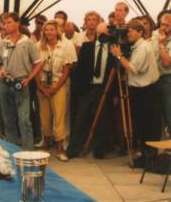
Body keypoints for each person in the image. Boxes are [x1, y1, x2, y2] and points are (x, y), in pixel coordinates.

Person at [110, 19, 160, 164]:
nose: (128, 34)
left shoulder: (143, 47)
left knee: (146, 125)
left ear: (140, 32)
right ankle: (145, 155)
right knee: (142, 124)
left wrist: (119, 56)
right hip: (141, 90)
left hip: (145, 91)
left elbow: (133, 69)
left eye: (131, 31)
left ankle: (148, 157)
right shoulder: (138, 46)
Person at [67, 22, 117, 159]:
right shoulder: (87, 47)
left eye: (105, 34)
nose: (102, 37)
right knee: (81, 118)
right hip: (88, 88)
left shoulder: (114, 49)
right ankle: (75, 148)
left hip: (105, 88)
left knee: (103, 119)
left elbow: (116, 72)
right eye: (100, 34)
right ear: (96, 34)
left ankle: (99, 149)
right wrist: (79, 89)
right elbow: (79, 69)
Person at [0, 12, 42, 149]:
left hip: (21, 83)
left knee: (24, 120)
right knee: (8, 120)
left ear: (17, 23)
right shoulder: (1, 44)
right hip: (5, 83)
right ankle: (12, 149)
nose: (6, 25)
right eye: (4, 23)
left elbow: (38, 63)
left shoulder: (28, 42)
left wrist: (29, 79)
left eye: (9, 22)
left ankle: (27, 151)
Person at [35, 20, 76, 161]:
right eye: (46, 30)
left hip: (58, 84)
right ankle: (46, 147)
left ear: (57, 31)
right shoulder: (38, 46)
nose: (49, 32)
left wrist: (55, 88)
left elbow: (67, 70)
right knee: (44, 116)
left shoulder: (66, 45)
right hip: (42, 85)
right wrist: (41, 87)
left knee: (59, 117)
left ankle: (60, 149)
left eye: (52, 29)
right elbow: (34, 68)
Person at [155, 13, 171, 134]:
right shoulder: (154, 34)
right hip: (153, 79)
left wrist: (161, 44)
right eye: (162, 24)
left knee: (169, 112)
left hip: (167, 79)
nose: (163, 28)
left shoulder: (162, 39)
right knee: (156, 115)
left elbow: (166, 62)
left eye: (167, 25)